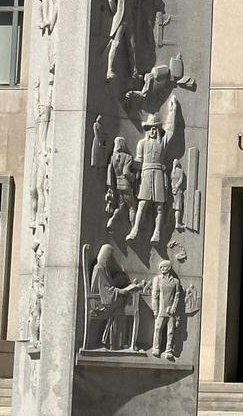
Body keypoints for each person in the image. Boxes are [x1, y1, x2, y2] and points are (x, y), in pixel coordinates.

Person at [128, 96, 178, 242]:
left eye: (155, 128)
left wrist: (172, 110)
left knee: (160, 206)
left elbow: (171, 129)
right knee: (142, 203)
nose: (152, 131)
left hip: (159, 174)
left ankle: (157, 232)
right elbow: (138, 161)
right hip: (147, 173)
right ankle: (135, 229)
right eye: (150, 129)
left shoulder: (163, 143)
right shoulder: (142, 144)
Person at [88, 245, 141, 350]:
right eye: (109, 255)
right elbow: (106, 290)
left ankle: (112, 341)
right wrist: (124, 290)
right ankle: (113, 343)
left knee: (121, 305)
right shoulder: (98, 268)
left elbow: (108, 288)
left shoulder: (105, 269)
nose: (111, 258)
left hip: (104, 299)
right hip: (99, 302)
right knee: (121, 309)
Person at [149, 260, 181, 360]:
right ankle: (156, 348)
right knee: (158, 329)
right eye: (161, 267)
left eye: (164, 266)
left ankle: (168, 350)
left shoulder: (175, 281)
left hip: (171, 310)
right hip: (161, 310)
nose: (162, 268)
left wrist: (174, 308)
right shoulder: (157, 279)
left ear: (169, 268)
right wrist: (155, 310)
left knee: (170, 331)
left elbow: (177, 295)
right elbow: (155, 295)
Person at [105, 137, 135, 232]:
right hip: (126, 185)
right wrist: (133, 177)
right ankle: (134, 229)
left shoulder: (112, 157)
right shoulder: (128, 157)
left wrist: (110, 186)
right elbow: (126, 172)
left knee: (120, 206)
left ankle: (111, 221)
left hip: (118, 185)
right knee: (132, 207)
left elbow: (110, 172)